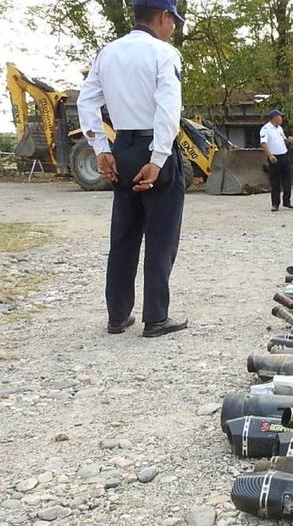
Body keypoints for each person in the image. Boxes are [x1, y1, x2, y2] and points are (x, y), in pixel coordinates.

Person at [77, 0, 188, 338]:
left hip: (121, 146)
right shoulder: (164, 53)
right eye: (173, 22)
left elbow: (86, 101)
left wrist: (101, 149)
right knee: (160, 236)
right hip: (154, 146)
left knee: (124, 235)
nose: (173, 29)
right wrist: (157, 160)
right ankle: (155, 318)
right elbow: (168, 110)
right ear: (164, 17)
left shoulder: (107, 53)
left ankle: (117, 315)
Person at [260, 109, 293, 211]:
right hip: (274, 157)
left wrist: (287, 140)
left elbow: (282, 139)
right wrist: (270, 155)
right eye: (280, 117)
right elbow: (263, 143)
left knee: (287, 179)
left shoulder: (279, 128)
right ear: (274, 117)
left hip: (284, 155)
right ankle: (275, 203)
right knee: (275, 181)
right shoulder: (266, 129)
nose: (282, 119)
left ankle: (287, 201)